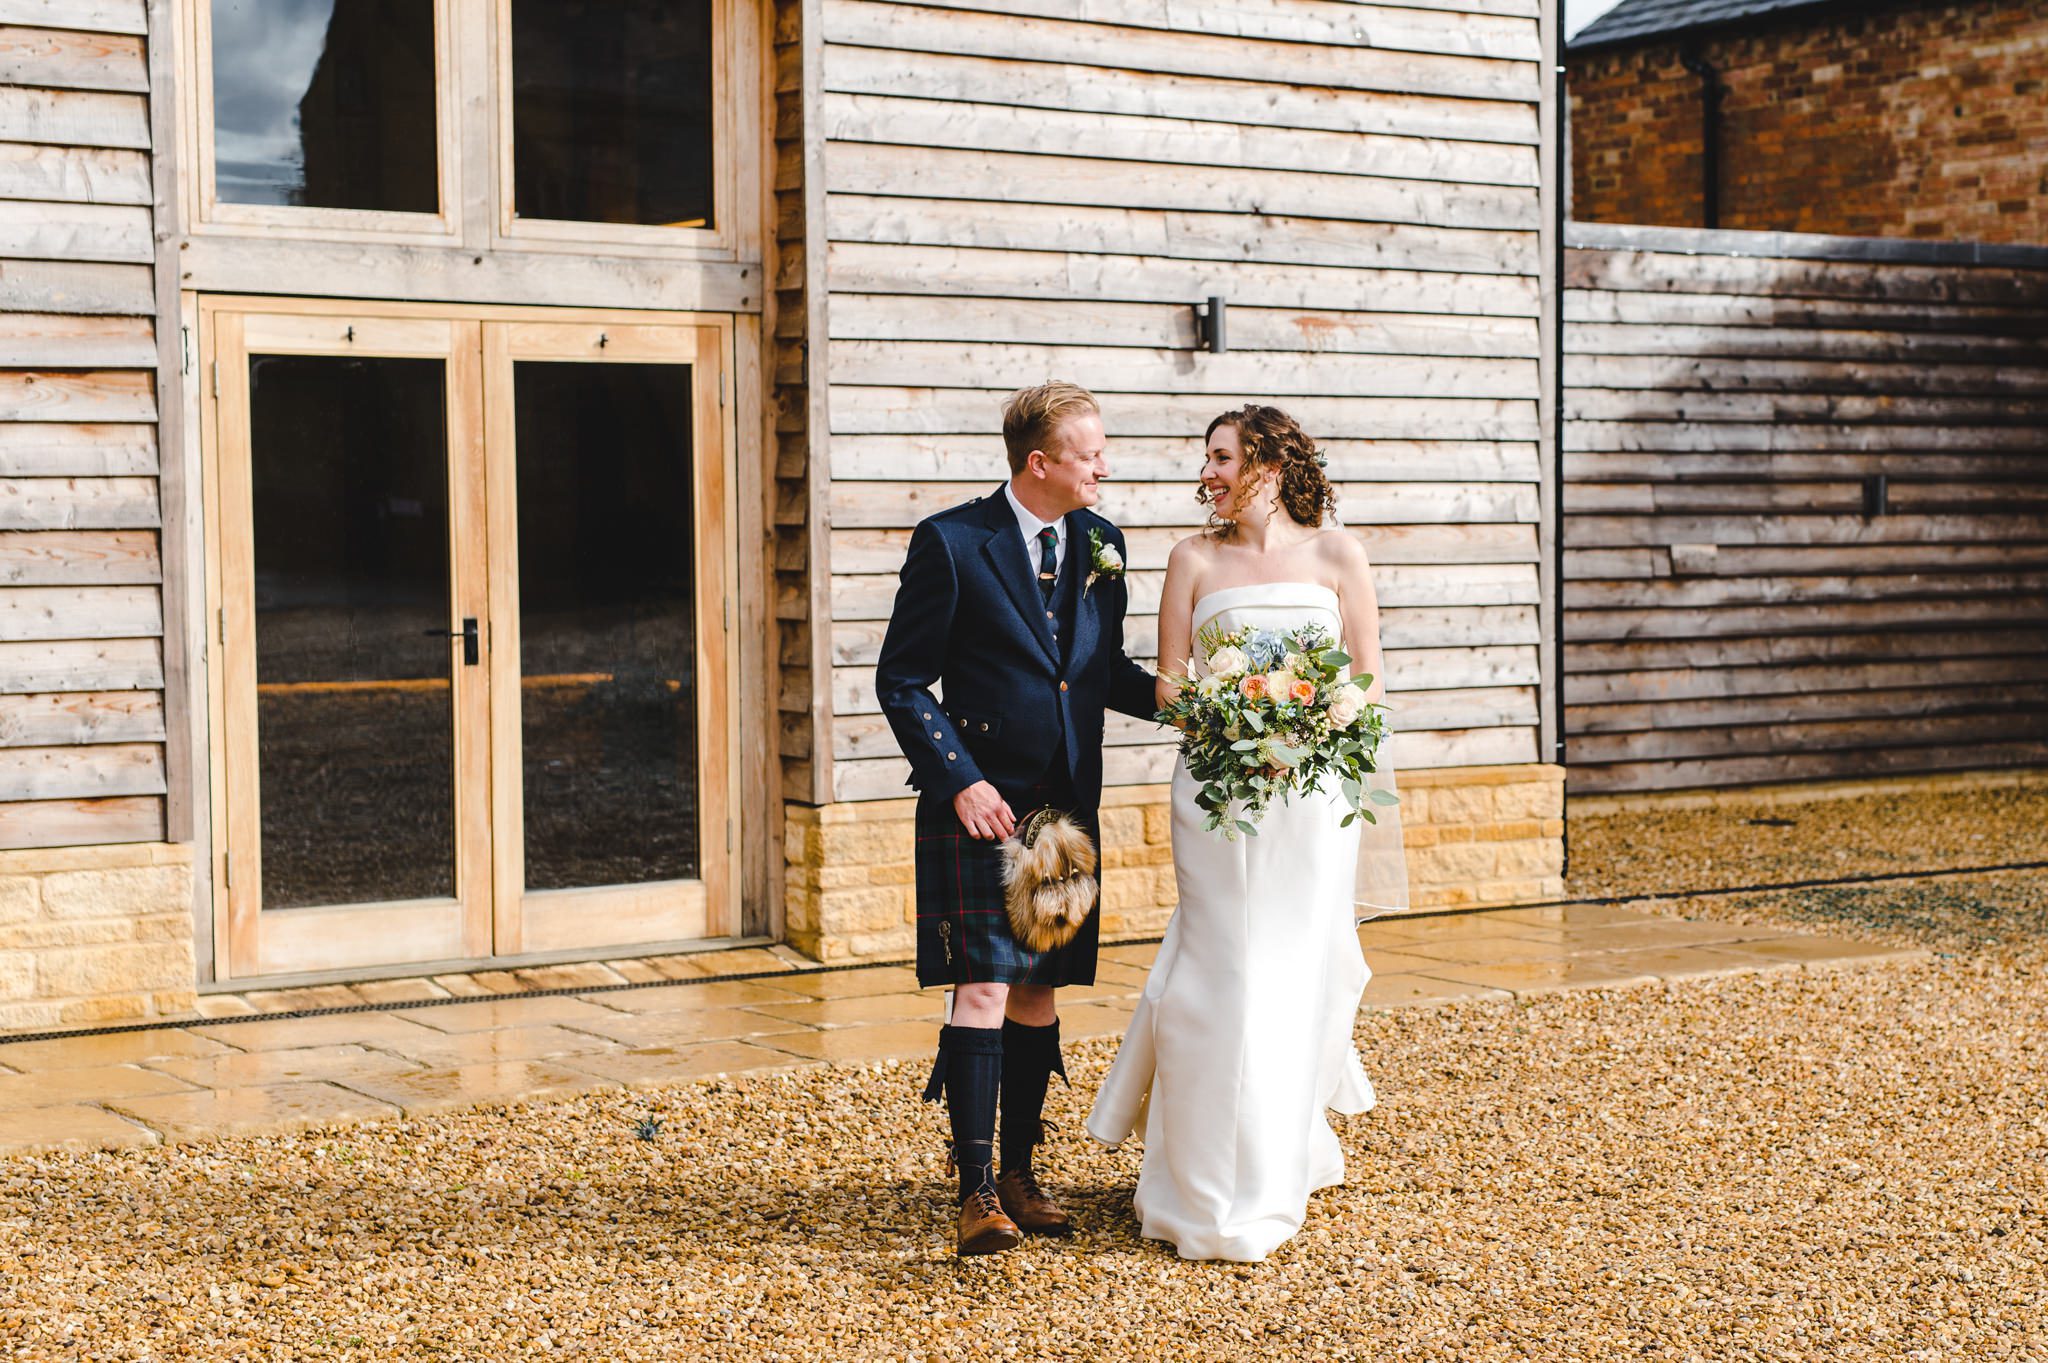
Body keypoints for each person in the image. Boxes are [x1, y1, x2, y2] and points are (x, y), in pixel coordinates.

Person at [1085, 404, 1406, 1262]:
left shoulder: (1339, 554)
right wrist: (1233, 719)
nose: (1211, 472)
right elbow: (1166, 685)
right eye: (1208, 459)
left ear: (1270, 461)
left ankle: (1281, 1146)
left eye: (1224, 457)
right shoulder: (1193, 558)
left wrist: (1308, 729)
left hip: (1309, 797)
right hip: (1220, 793)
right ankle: (1190, 1179)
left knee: (1296, 967)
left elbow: (1368, 681)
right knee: (1217, 969)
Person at [875, 381, 1158, 1256]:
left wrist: (1204, 706)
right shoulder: (956, 542)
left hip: (1064, 811)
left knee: (1038, 989)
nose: (1105, 466)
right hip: (984, 807)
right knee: (985, 986)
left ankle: (1025, 1173)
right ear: (1041, 463)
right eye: (1091, 453)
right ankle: (976, 1189)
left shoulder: (1102, 542)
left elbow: (1101, 671)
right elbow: (901, 677)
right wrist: (957, 777)